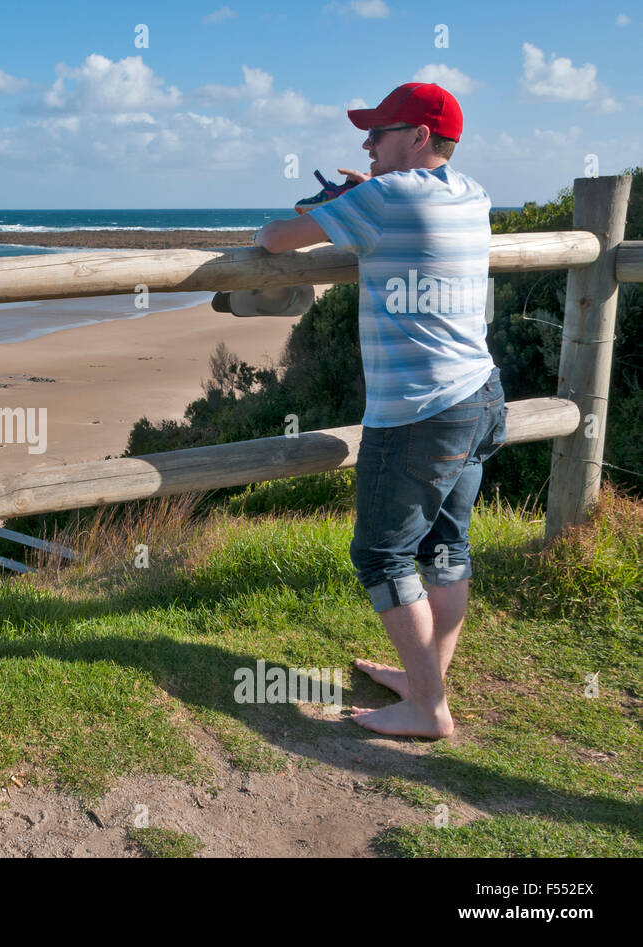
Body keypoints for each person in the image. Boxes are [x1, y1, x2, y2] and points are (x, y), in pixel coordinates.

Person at [250, 83, 507, 738]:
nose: (365, 143)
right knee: (446, 545)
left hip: (419, 414)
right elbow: (404, 205)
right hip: (479, 394)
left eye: (379, 132)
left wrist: (340, 201)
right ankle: (428, 678)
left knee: (381, 556)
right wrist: (365, 190)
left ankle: (427, 707)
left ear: (418, 137)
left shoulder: (383, 199)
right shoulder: (470, 192)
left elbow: (279, 238)